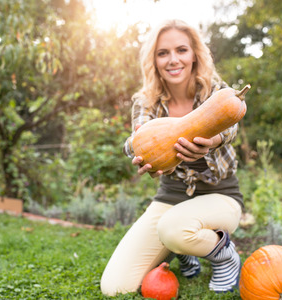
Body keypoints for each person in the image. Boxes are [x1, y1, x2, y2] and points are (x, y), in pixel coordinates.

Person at [100, 19, 245, 296]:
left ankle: (224, 255)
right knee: (115, 287)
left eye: (181, 50)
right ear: (154, 60)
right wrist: (138, 153)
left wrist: (213, 140)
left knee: (173, 227)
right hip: (170, 198)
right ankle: (183, 249)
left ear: (194, 55)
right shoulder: (146, 102)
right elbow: (137, 141)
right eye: (162, 53)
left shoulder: (214, 90)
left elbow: (232, 122)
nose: (173, 59)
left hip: (221, 197)